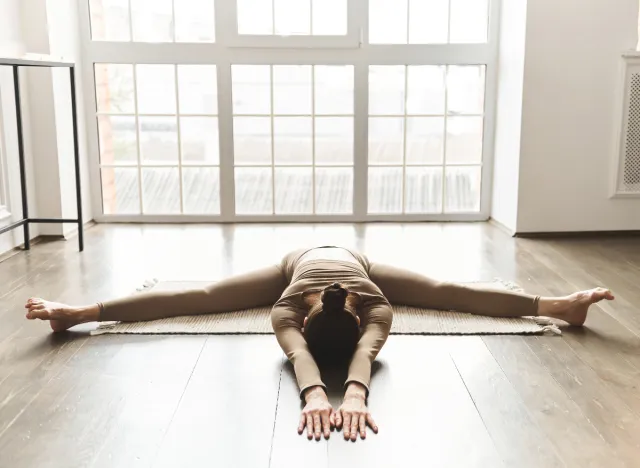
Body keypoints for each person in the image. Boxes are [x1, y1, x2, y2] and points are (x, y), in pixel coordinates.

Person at [24, 246, 614, 442]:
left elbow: (301, 357)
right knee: (444, 290)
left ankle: (81, 313)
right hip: (348, 257)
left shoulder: (285, 305)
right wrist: (351, 392)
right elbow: (363, 353)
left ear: (302, 317)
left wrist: (319, 395)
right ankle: (556, 306)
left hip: (295, 260)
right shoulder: (377, 304)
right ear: (357, 316)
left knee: (203, 295)